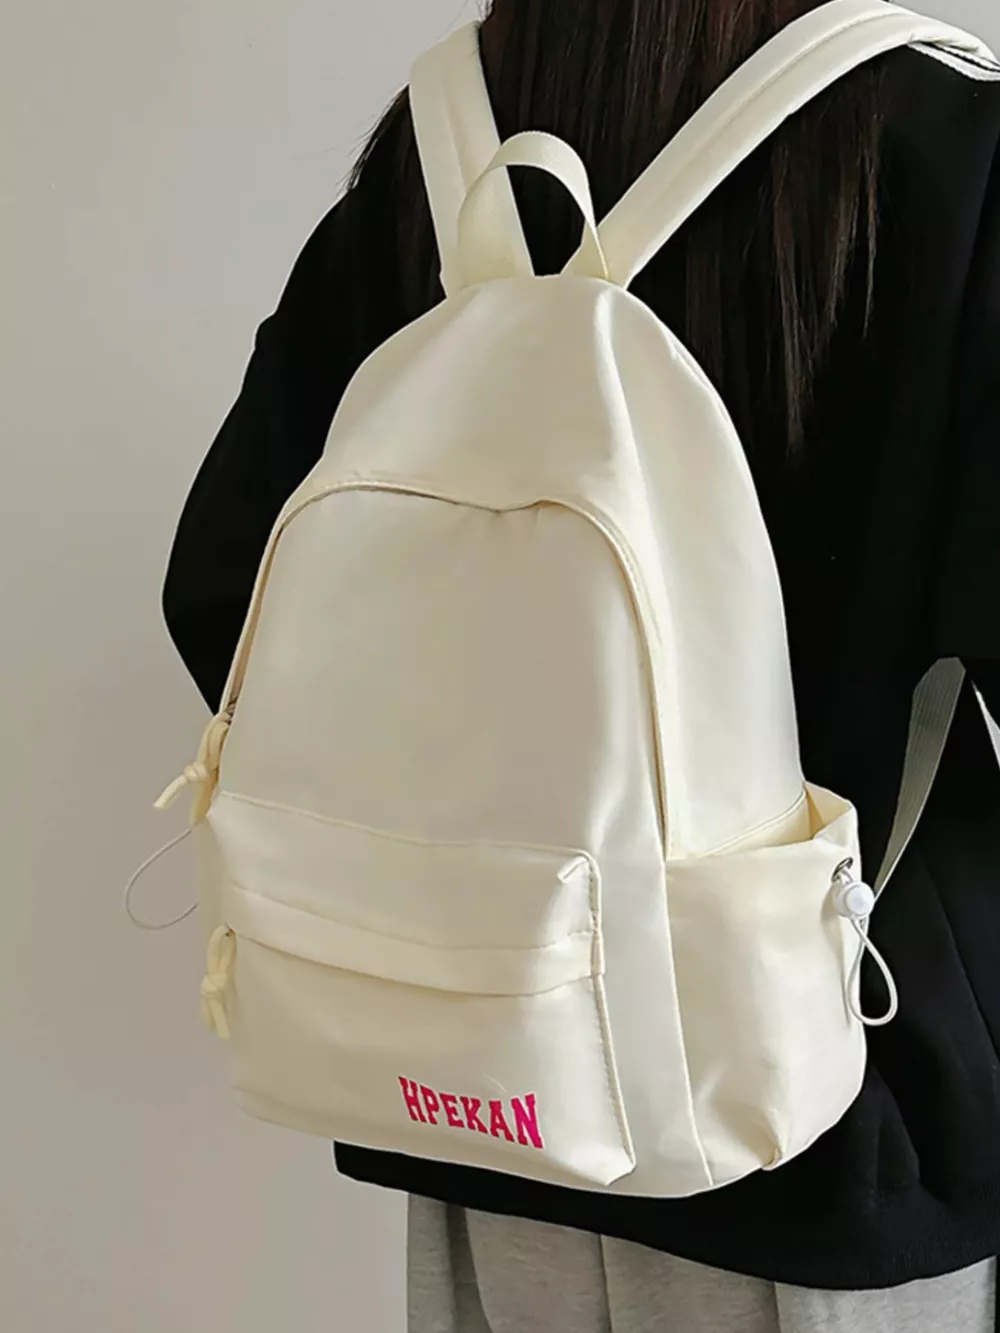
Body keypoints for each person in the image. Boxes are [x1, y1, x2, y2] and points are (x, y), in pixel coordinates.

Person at [162, 1, 1000, 1329]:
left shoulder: (444, 143)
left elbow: (225, 589)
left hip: (483, 1078)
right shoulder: (952, 136)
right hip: (831, 1096)